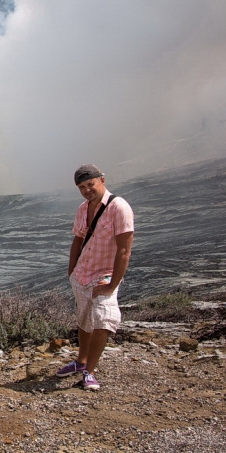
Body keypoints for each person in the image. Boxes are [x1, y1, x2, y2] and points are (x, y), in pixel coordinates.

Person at [55, 164, 134, 390]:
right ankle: (81, 362)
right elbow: (78, 239)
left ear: (102, 180)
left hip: (104, 275)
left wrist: (112, 284)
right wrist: (72, 270)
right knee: (84, 319)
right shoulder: (83, 208)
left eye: (90, 184)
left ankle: (90, 371)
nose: (87, 190)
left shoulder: (119, 208)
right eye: (82, 187)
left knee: (103, 319)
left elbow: (124, 251)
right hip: (82, 274)